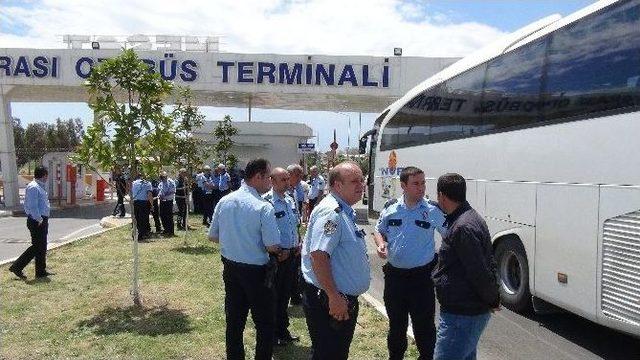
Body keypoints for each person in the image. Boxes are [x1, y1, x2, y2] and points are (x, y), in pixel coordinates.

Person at [208, 158, 282, 360]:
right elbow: (272, 245)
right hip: (257, 273)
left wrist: (235, 240)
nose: (270, 183)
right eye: (269, 177)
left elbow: (213, 236)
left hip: (231, 269)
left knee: (234, 322)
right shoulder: (263, 206)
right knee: (265, 324)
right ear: (258, 176)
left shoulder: (225, 200)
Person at [374, 166, 447, 360]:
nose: (421, 187)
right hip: (395, 278)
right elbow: (379, 229)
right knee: (396, 325)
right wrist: (381, 244)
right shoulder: (390, 208)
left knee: (424, 326)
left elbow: (451, 236)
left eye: (423, 183)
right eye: (416, 183)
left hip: (421, 279)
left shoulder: (432, 210)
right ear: (403, 186)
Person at [301, 161, 370, 360]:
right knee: (329, 354)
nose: (361, 185)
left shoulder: (344, 210)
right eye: (354, 181)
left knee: (335, 353)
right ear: (338, 185)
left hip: (338, 298)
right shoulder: (332, 213)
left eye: (362, 180)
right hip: (330, 300)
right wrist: (333, 296)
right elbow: (319, 256)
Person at [432, 173, 500, 360]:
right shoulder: (471, 218)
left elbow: (478, 270)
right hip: (467, 312)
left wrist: (492, 299)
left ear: (442, 196)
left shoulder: (462, 227)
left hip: (461, 314)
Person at [264, 167, 301, 346]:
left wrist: (298, 243)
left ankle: (283, 330)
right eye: (283, 180)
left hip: (292, 256)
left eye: (288, 179)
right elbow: (264, 233)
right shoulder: (267, 202)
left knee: (285, 296)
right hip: (278, 258)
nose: (287, 183)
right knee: (273, 298)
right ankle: (272, 334)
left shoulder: (289, 199)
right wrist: (279, 253)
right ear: (272, 181)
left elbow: (295, 225)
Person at [9, 166, 54, 279]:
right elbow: (32, 206)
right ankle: (17, 267)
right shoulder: (34, 187)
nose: (47, 177)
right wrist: (39, 219)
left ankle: (40, 271)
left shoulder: (39, 186)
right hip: (36, 221)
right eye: (46, 175)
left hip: (41, 220)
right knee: (37, 247)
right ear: (44, 175)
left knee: (42, 246)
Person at [285, 163, 306, 305]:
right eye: (297, 175)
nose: (300, 178)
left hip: (295, 235)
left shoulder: (295, 190)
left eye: (301, 175)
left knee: (296, 269)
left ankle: (295, 295)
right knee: (288, 271)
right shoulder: (282, 192)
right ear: (290, 175)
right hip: (285, 240)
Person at [131, 172, 153, 241]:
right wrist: (152, 204)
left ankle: (135, 234)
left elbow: (131, 193)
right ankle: (141, 235)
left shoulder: (133, 183)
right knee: (143, 219)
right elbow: (149, 194)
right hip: (144, 203)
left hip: (136, 202)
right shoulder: (147, 183)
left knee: (136, 218)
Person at [158, 171, 176, 237]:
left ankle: (171, 231)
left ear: (166, 176)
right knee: (162, 215)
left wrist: (165, 195)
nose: (162, 178)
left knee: (169, 216)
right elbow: (159, 190)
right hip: (162, 201)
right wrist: (159, 195)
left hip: (168, 201)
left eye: (163, 177)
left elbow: (173, 191)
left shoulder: (171, 182)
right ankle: (166, 229)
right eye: (161, 177)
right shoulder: (161, 183)